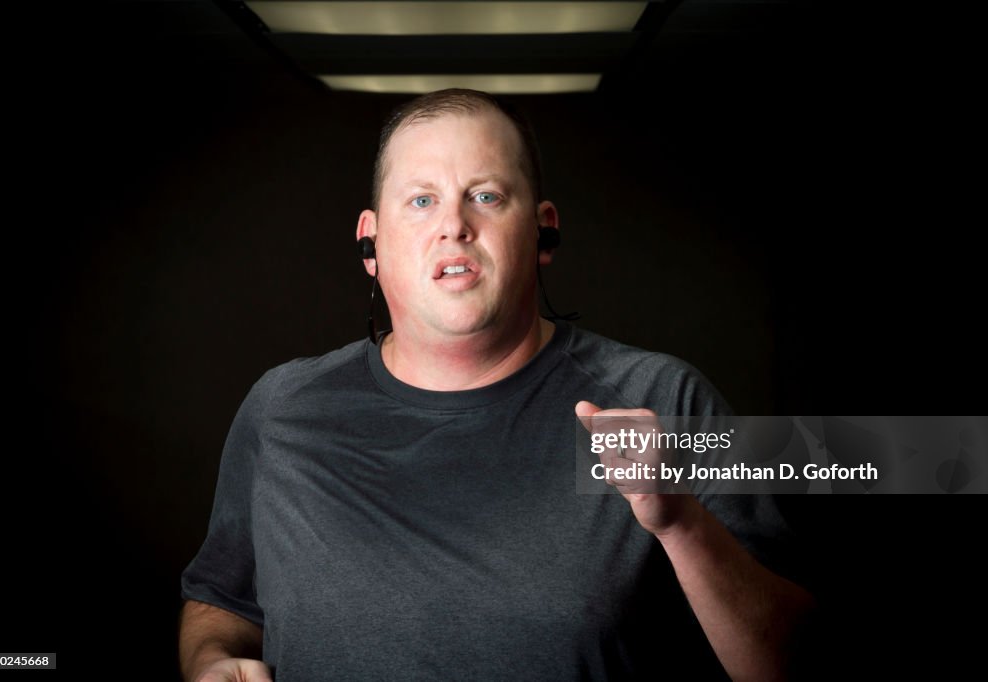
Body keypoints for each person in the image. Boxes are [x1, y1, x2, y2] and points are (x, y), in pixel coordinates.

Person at [179, 89, 814, 681]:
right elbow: (219, 599)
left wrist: (681, 524)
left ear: (543, 231)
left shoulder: (664, 400)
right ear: (371, 244)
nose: (454, 224)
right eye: (422, 200)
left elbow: (793, 659)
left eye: (485, 195)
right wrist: (211, 660)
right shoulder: (281, 411)